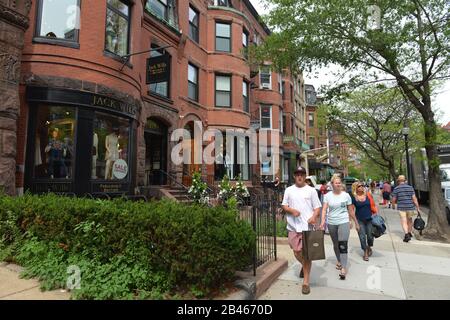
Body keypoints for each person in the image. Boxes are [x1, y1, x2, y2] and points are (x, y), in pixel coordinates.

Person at [281, 166, 322, 295]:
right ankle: (304, 267)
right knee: (296, 251)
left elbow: (317, 208)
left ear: (305, 176)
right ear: (294, 176)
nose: (299, 176)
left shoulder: (311, 191)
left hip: (307, 227)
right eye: (297, 174)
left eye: (302, 174)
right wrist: (291, 210)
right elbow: (284, 205)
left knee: (307, 255)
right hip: (293, 226)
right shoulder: (289, 190)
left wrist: (314, 217)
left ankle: (306, 282)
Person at [320, 175, 359, 280]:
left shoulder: (346, 195)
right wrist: (323, 221)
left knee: (343, 244)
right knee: (336, 244)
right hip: (332, 222)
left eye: (339, 182)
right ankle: (340, 260)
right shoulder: (327, 196)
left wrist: (356, 222)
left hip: (343, 221)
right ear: (332, 184)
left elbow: (350, 210)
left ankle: (343, 267)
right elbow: (324, 209)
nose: (338, 184)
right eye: (336, 182)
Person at [351, 182, 377, 261]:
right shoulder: (354, 198)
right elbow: (351, 211)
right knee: (362, 237)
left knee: (370, 236)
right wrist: (355, 222)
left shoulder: (368, 195)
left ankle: (369, 247)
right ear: (356, 188)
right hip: (360, 220)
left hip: (369, 219)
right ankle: (365, 252)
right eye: (359, 186)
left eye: (362, 185)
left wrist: (375, 214)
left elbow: (373, 205)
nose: (362, 187)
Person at [391, 175, 420, 243]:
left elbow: (394, 199)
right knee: (410, 220)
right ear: (405, 180)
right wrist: (417, 207)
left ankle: (406, 235)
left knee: (404, 221)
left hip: (401, 207)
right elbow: (414, 198)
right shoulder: (410, 188)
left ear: (398, 181)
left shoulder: (396, 189)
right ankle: (409, 233)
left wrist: (393, 205)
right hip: (410, 207)